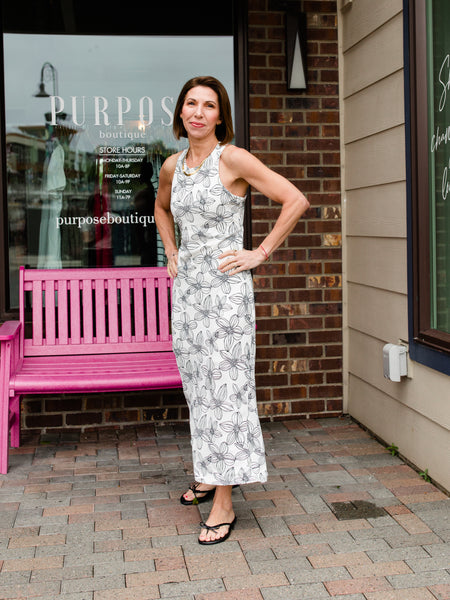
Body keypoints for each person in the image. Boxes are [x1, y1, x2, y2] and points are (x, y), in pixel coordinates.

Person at [155, 76, 309, 545]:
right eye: (190, 104)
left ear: (220, 116)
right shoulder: (172, 166)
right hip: (188, 297)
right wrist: (171, 252)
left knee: (226, 394)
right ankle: (207, 474)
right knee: (198, 389)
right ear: (180, 113)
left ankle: (223, 501)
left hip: (225, 298)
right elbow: (161, 209)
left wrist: (258, 253)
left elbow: (295, 199)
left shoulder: (233, 158)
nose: (198, 112)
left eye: (208, 105)